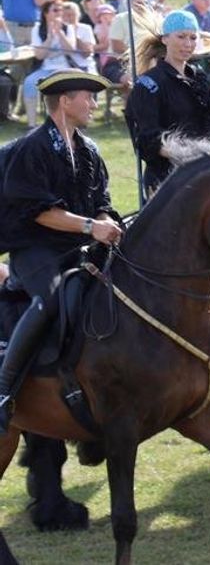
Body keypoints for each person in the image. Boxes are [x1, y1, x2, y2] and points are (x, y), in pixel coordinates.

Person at [0, 69, 123, 435]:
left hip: (79, 245)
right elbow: (39, 212)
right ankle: (4, 390)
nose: (94, 104)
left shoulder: (89, 149)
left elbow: (102, 201)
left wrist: (104, 221)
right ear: (65, 101)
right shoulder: (32, 149)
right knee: (51, 298)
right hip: (36, 249)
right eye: (88, 97)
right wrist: (90, 227)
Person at [125, 10, 210, 193]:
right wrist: (194, 155)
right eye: (181, 37)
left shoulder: (198, 77)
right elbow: (148, 140)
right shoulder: (148, 84)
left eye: (193, 37)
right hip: (168, 180)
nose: (188, 44)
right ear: (165, 39)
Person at [23, 0, 77, 128]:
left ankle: (73, 122)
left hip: (66, 68)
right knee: (29, 82)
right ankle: (32, 125)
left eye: (61, 10)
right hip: (45, 69)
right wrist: (49, 38)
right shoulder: (37, 29)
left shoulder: (68, 27)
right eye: (55, 10)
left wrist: (60, 33)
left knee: (76, 82)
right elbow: (39, 55)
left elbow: (71, 50)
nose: (60, 13)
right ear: (46, 13)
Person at [62, 1, 97, 74]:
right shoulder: (57, 31)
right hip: (64, 67)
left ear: (78, 15)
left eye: (71, 15)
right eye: (64, 15)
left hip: (84, 66)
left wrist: (72, 33)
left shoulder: (86, 28)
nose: (68, 18)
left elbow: (87, 53)